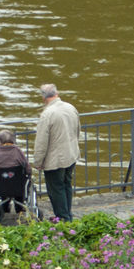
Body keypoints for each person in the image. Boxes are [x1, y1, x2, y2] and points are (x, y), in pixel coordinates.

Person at [31, 83, 81, 220]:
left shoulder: (47, 114)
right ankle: (67, 214)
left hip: (55, 160)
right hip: (71, 154)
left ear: (43, 97)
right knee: (66, 185)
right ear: (56, 93)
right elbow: (77, 131)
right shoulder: (70, 107)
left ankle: (63, 218)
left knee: (56, 189)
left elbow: (41, 142)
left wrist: (38, 162)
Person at [0, 128, 32, 224]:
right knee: (20, 185)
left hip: (0, 186)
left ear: (0, 141)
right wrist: (29, 174)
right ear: (13, 140)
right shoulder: (18, 151)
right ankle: (19, 208)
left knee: (2, 185)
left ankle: (5, 206)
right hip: (18, 186)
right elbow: (27, 167)